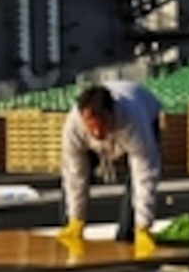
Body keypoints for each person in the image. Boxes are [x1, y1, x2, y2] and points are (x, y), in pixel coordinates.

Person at [56, 81, 163, 258]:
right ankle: (72, 225)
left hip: (144, 114)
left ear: (111, 113)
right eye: (91, 125)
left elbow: (145, 173)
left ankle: (129, 235)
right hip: (94, 139)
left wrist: (144, 224)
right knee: (72, 178)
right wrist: (76, 218)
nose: (97, 132)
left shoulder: (134, 119)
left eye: (101, 124)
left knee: (135, 181)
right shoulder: (73, 127)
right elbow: (75, 174)